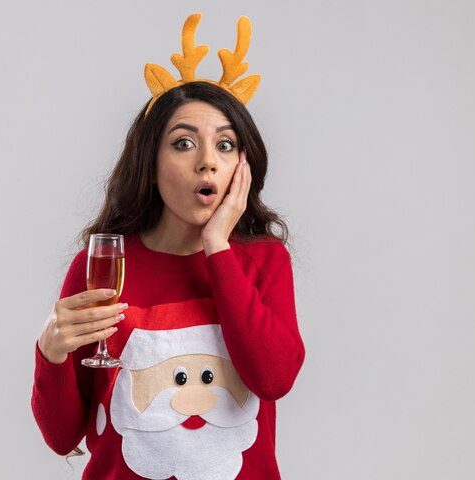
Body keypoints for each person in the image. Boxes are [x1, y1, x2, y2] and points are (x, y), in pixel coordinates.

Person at [32, 13, 305, 480]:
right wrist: (51, 352)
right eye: (183, 144)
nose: (207, 163)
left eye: (225, 145)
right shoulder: (101, 267)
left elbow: (274, 378)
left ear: (243, 165)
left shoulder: (263, 261)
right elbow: (62, 437)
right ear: (150, 162)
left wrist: (217, 246)